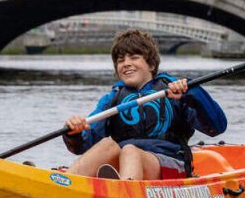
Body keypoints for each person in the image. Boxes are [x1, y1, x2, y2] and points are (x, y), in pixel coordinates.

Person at [63, 29, 226, 180]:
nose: (126, 63)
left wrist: (191, 93)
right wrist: (74, 133)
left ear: (151, 65)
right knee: (107, 145)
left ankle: (124, 197)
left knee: (130, 151)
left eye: (134, 57)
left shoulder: (177, 89)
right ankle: (63, 185)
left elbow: (217, 126)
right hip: (127, 165)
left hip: (171, 163)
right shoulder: (113, 99)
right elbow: (83, 145)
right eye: (120, 60)